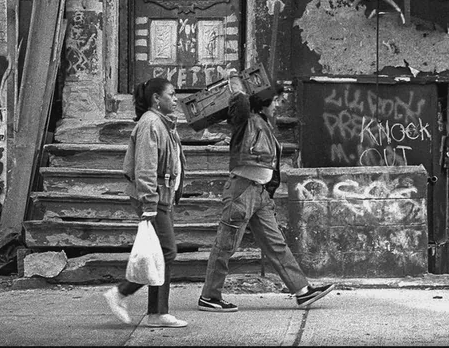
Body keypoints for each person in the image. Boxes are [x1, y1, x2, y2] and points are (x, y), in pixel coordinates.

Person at [199, 83, 333, 312]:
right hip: (242, 191)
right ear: (263, 103)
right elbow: (240, 103)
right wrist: (235, 83)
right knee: (225, 245)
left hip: (259, 194)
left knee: (276, 243)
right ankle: (209, 296)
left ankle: (302, 291)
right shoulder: (246, 119)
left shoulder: (264, 124)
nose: (279, 105)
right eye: (276, 101)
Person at [103, 77, 188, 328]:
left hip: (162, 195)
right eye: (171, 94)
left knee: (160, 252)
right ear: (156, 99)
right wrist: (150, 203)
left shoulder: (162, 123)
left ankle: (156, 313)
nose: (175, 99)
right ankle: (121, 293)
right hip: (154, 197)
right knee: (167, 251)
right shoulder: (151, 124)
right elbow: (145, 167)